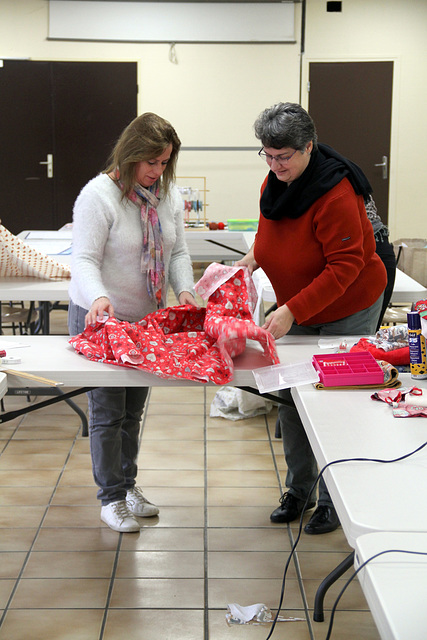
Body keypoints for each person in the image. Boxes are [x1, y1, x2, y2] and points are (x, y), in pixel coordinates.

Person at [235, 102, 387, 534]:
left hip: (347, 306)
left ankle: (335, 499)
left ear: (308, 147)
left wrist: (290, 310)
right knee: (291, 397)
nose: (275, 164)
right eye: (267, 154)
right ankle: (300, 491)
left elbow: (346, 266)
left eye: (284, 156)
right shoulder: (277, 179)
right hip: (296, 303)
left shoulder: (335, 193)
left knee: (334, 403)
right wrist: (250, 262)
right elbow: (272, 236)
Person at [68, 112, 197, 533]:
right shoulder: (99, 197)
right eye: (150, 162)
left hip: (146, 320)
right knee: (107, 411)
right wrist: (99, 297)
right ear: (130, 155)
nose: (156, 172)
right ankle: (110, 498)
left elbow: (176, 253)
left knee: (131, 413)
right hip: (101, 316)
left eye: (164, 163)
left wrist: (186, 291)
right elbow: (83, 260)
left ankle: (126, 486)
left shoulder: (168, 197)